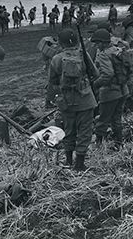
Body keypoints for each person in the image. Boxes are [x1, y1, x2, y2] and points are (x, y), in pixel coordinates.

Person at [49, 29, 97, 171]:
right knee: (85, 131)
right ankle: (80, 163)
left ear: (61, 42)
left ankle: (69, 160)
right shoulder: (83, 55)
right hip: (85, 99)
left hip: (67, 101)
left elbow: (52, 82)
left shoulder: (57, 59)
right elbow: (95, 73)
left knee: (69, 130)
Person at [91, 29, 129, 149]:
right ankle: (119, 143)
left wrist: (95, 84)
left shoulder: (103, 55)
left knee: (103, 119)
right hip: (123, 89)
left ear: (103, 42)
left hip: (110, 92)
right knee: (117, 118)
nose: (96, 46)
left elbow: (108, 74)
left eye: (97, 43)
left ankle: (98, 144)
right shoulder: (117, 50)